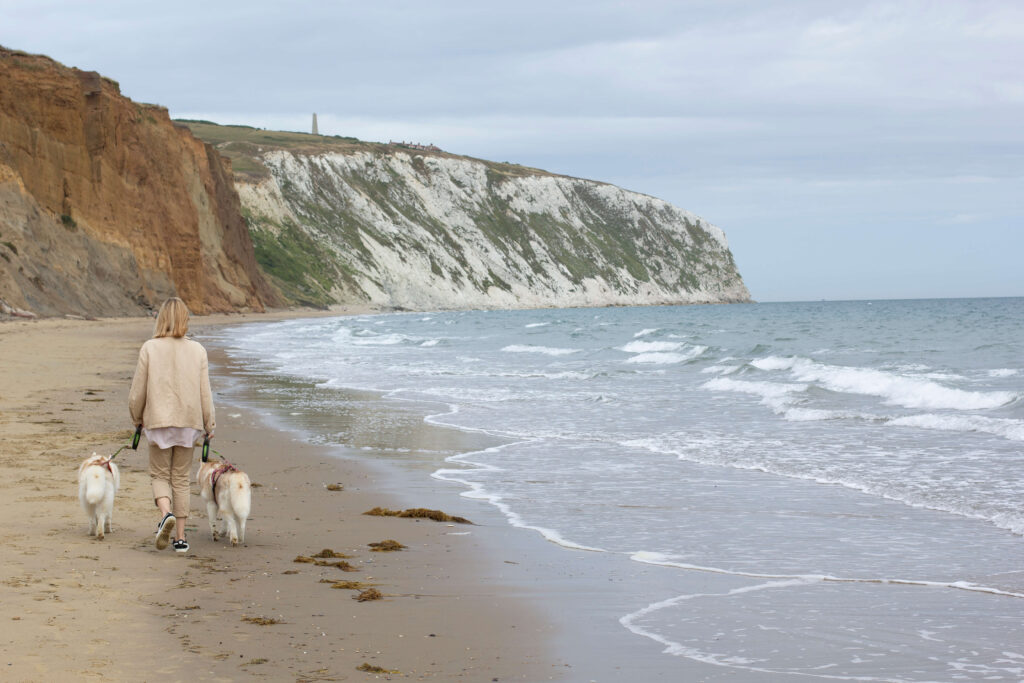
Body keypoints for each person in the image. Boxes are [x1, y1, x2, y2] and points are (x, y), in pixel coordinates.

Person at [128, 297, 215, 554]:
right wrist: (209, 423)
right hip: (189, 422)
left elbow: (137, 392)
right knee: (180, 477)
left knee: (159, 474)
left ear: (161, 318)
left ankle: (166, 514)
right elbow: (205, 393)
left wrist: (136, 417)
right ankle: (180, 539)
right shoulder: (198, 350)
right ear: (185, 319)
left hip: (158, 420)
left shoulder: (149, 348)